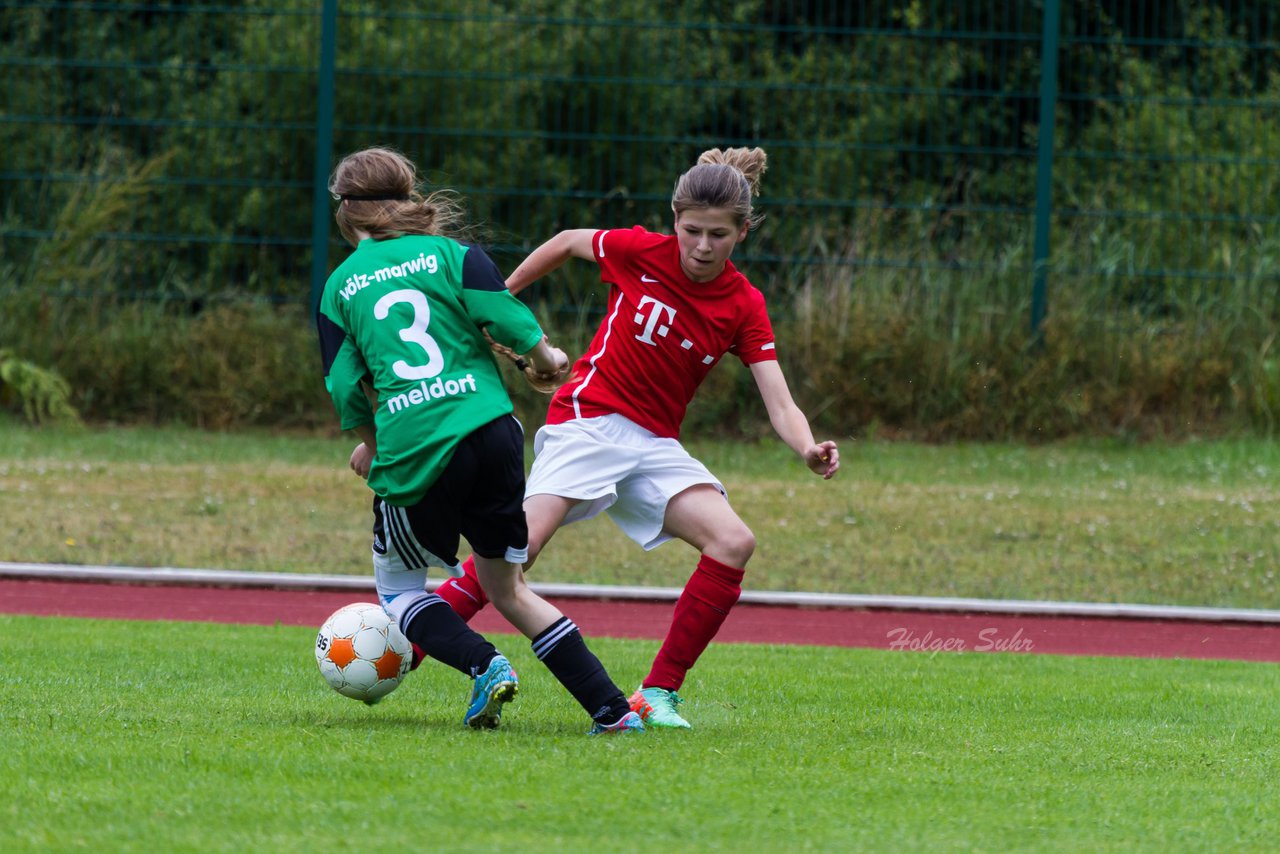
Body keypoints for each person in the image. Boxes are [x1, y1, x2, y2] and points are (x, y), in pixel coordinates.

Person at [434, 146, 840, 729]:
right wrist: (502, 301)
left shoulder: (744, 305)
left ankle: (659, 693)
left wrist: (806, 447)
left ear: (742, 232)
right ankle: (411, 639)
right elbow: (570, 239)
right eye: (691, 230)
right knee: (518, 549)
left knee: (733, 542)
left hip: (653, 446)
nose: (701, 246)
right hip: (589, 420)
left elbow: (780, 401)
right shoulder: (641, 250)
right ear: (673, 221)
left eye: (718, 235)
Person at [316, 146, 643, 735]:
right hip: (493, 434)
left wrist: (372, 440)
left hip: (415, 446)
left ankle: (483, 663)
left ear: (346, 213)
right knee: (507, 587)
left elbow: (343, 386)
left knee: (397, 591)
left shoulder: (340, 285)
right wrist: (549, 359)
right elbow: (512, 322)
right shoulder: (455, 254)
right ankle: (612, 711)